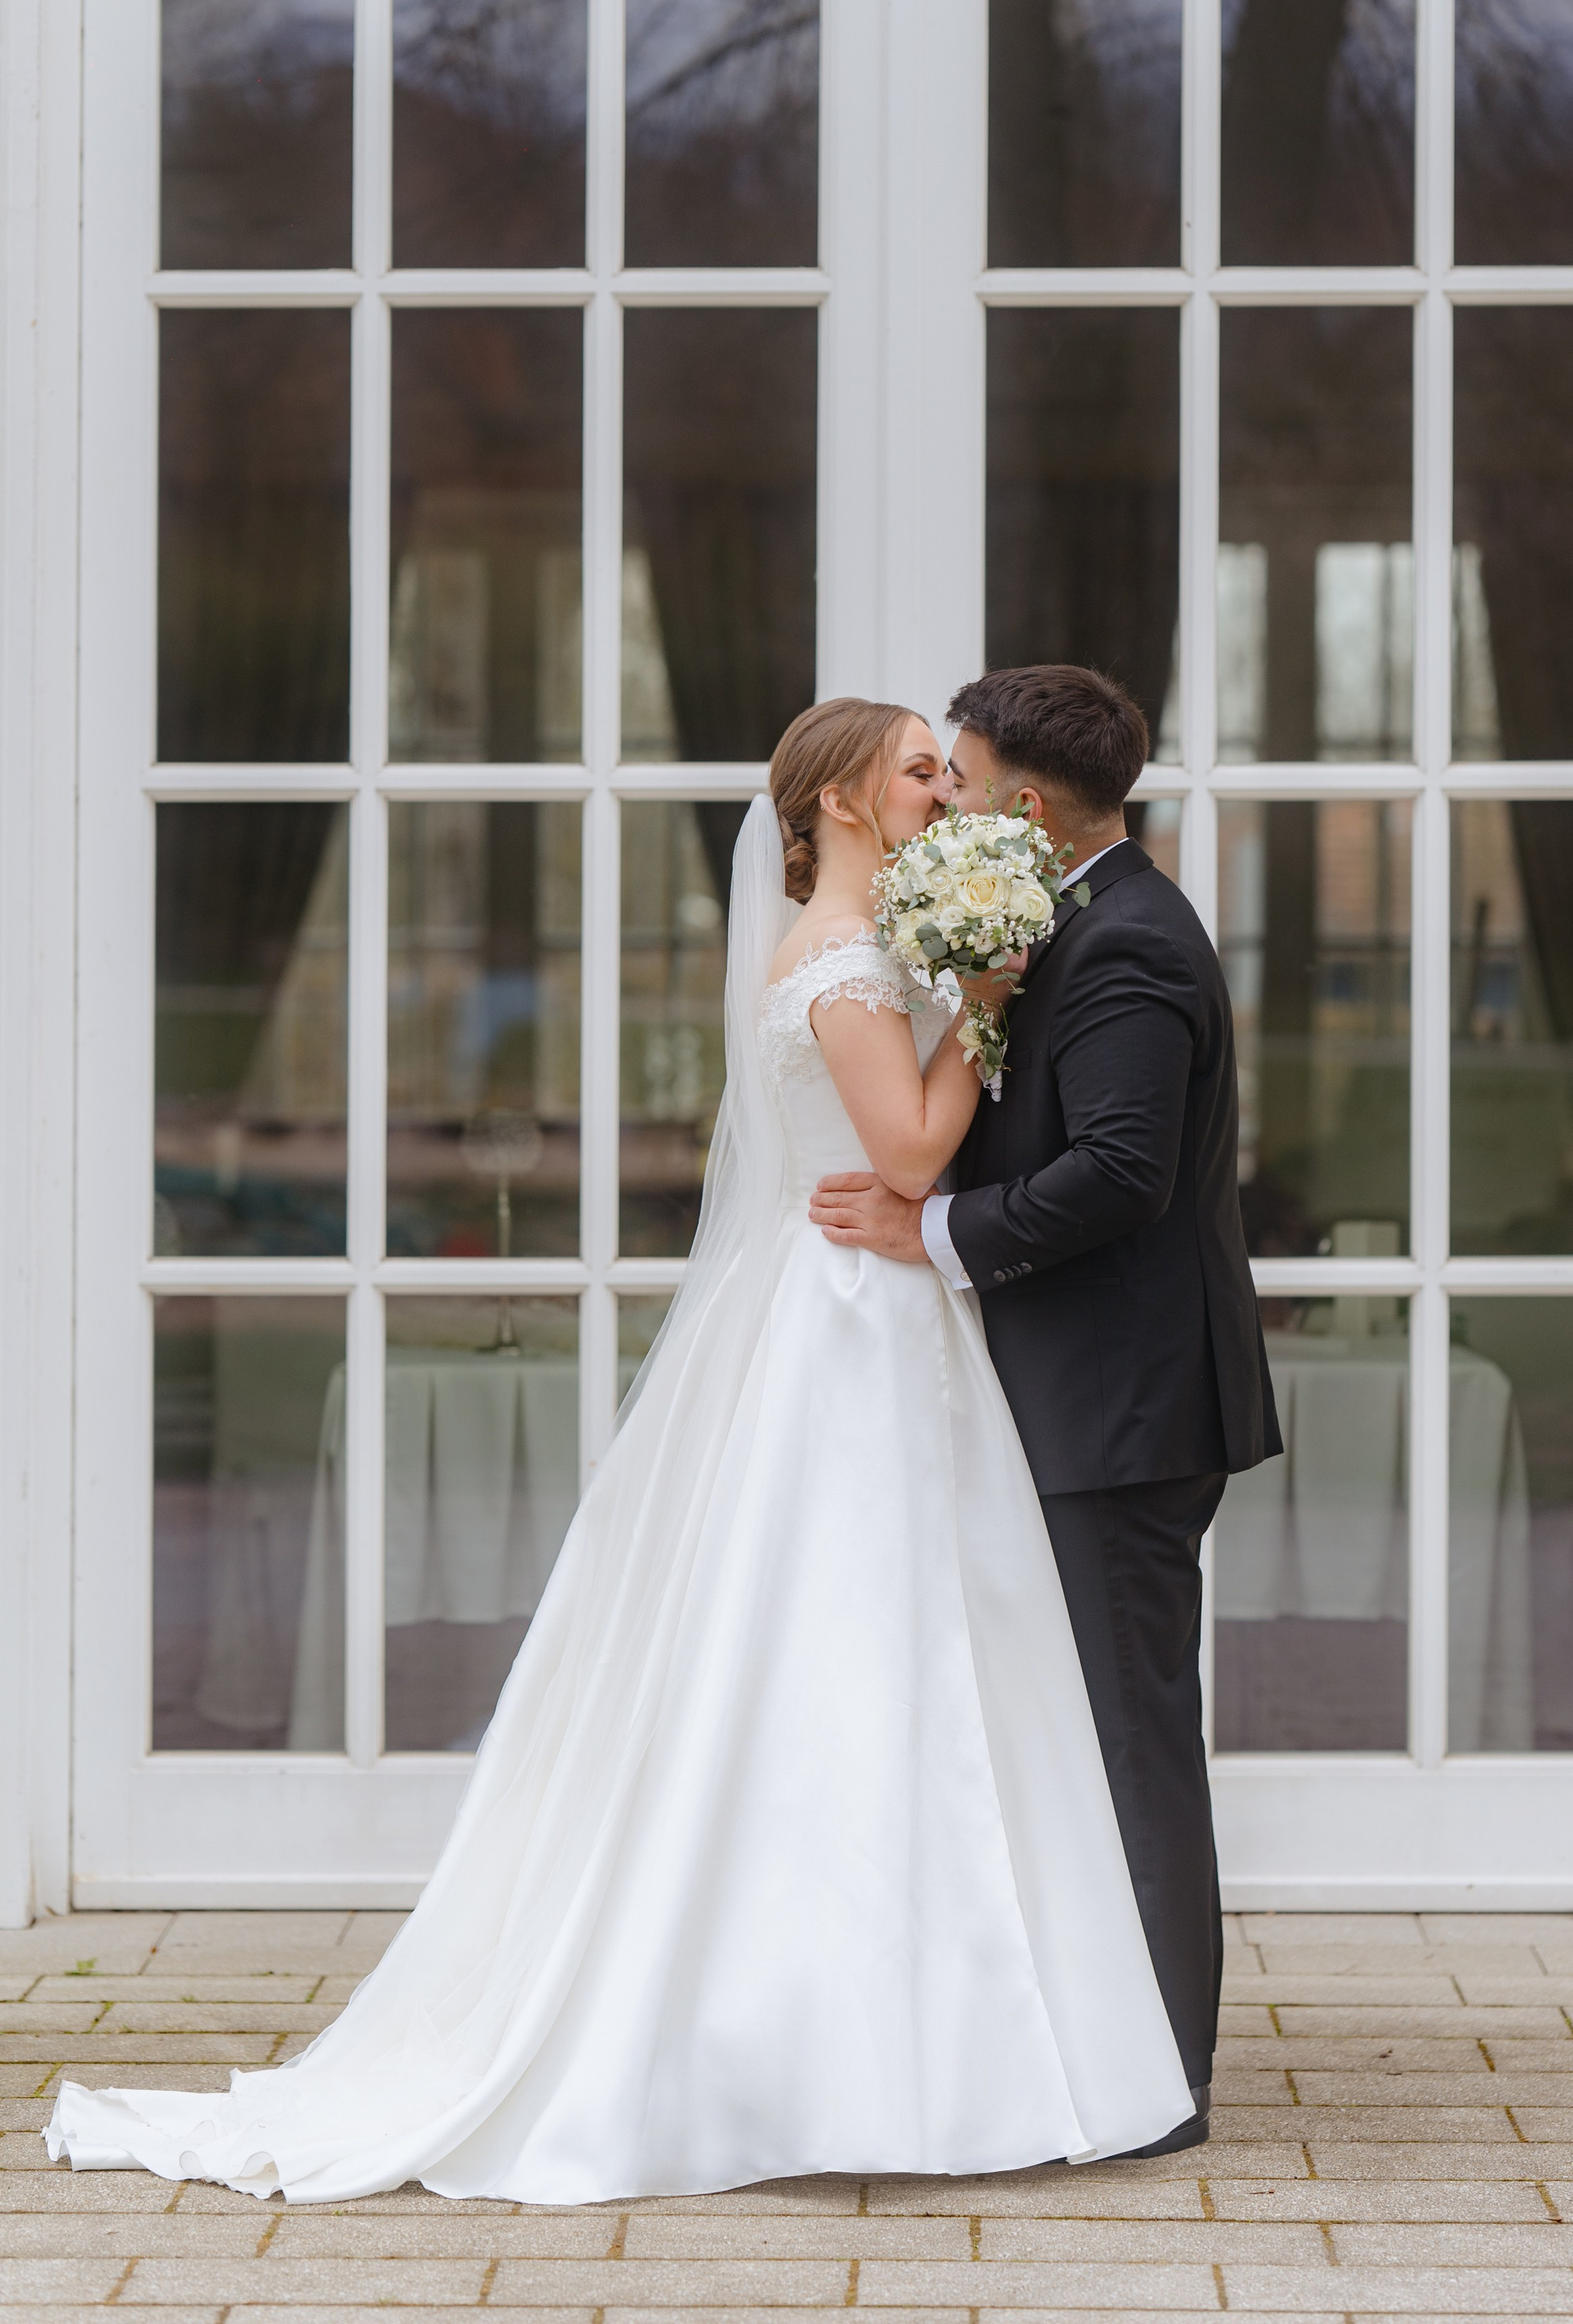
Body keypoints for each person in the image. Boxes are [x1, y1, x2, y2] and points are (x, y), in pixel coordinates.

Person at [45, 698, 1193, 2206]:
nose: (944, 788)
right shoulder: (845, 965)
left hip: (875, 1312)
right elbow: (907, 1155)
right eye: (917, 768)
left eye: (947, 765)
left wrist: (962, 1004)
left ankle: (924, 2023)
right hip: (852, 1323)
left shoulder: (860, 952)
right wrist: (979, 1003)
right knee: (850, 1660)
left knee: (893, 1666)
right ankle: (825, 2044)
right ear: (842, 804)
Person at [810, 665, 1281, 2150]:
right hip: (1079, 1397)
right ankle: (1097, 2044)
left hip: (1124, 1407)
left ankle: (1162, 2090)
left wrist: (927, 1235)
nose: (937, 797)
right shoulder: (1069, 922)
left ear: (1022, 803)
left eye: (952, 775)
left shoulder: (1129, 945)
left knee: (1129, 1740)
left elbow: (1119, 1175)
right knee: (1081, 1733)